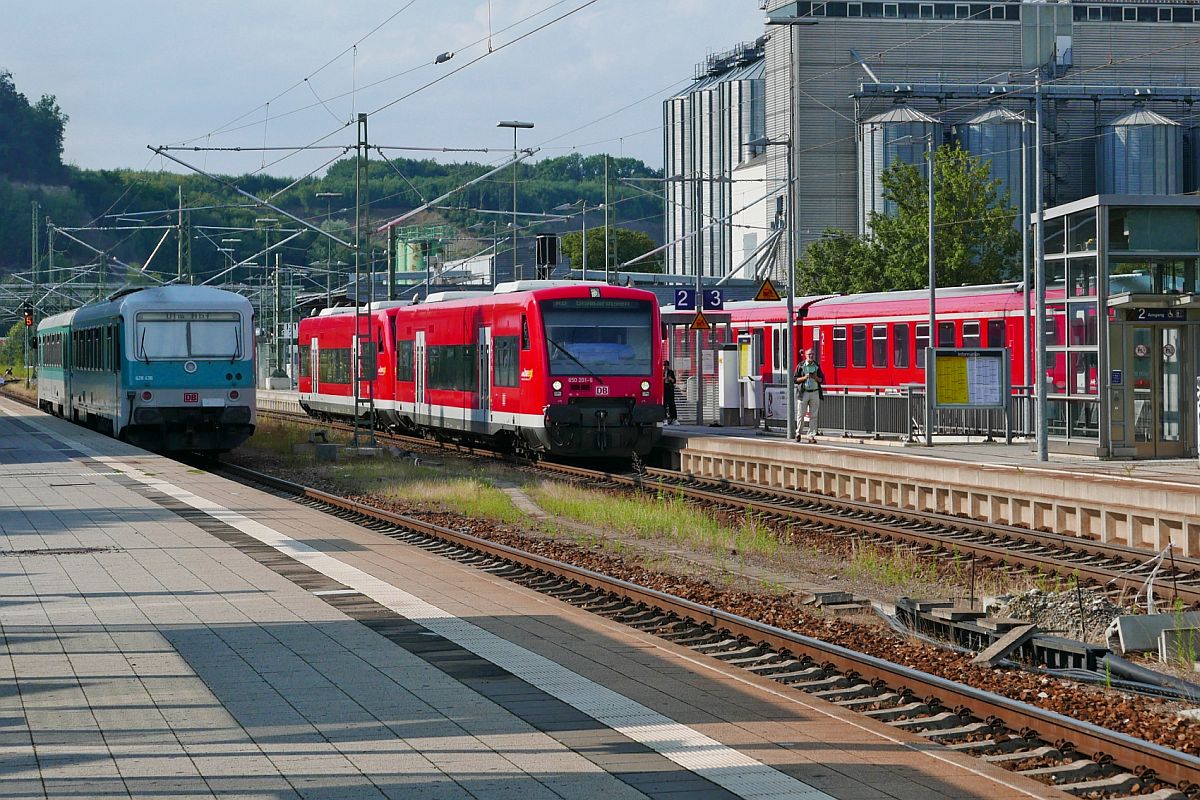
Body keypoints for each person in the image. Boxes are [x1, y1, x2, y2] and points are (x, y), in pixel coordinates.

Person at [793, 349, 825, 442]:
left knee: (813, 415)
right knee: (801, 414)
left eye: (812, 354)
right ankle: (798, 433)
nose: (811, 356)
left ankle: (811, 435)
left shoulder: (816, 366)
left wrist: (815, 377)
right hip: (804, 393)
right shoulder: (801, 366)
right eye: (809, 354)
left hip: (814, 392)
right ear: (806, 355)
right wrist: (805, 377)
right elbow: (794, 379)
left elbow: (821, 379)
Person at [663, 359, 678, 424]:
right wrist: (663, 378)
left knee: (672, 404)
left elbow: (674, 381)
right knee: (664, 404)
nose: (665, 367)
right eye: (664, 365)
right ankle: (664, 418)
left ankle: (674, 418)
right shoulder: (660, 371)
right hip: (663, 389)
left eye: (666, 365)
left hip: (670, 389)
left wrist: (671, 379)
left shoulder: (671, 372)